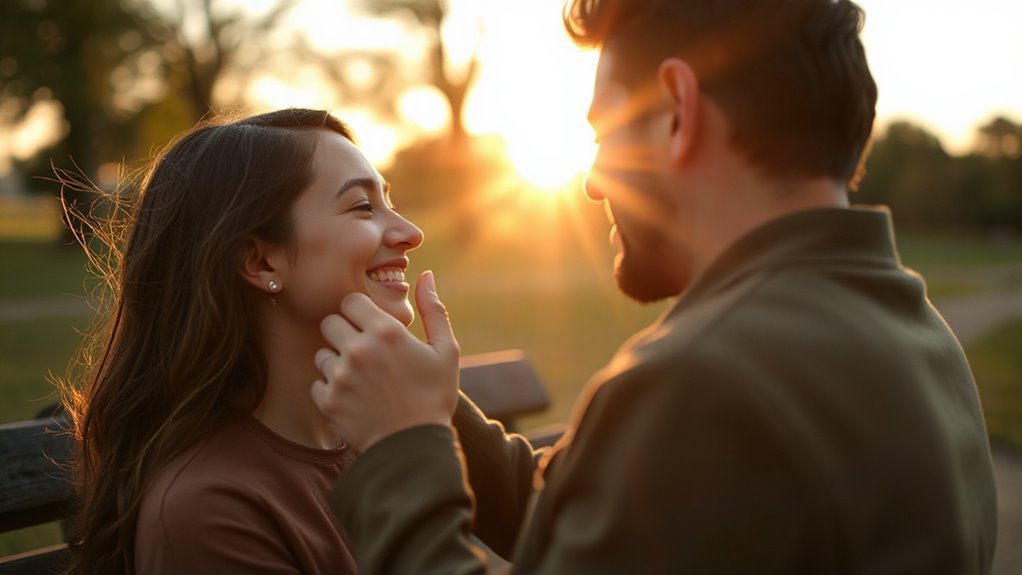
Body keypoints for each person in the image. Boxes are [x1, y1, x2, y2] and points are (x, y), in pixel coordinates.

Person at [310, 0, 1000, 573]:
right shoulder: (917, 335)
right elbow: (623, 532)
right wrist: (427, 406)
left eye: (605, 133)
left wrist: (401, 450)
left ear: (676, 108)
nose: (592, 179)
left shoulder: (703, 379)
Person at [59, 108, 425, 574]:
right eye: (362, 207)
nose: (410, 233)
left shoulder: (373, 435)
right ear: (260, 262)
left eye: (389, 203)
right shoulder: (210, 514)